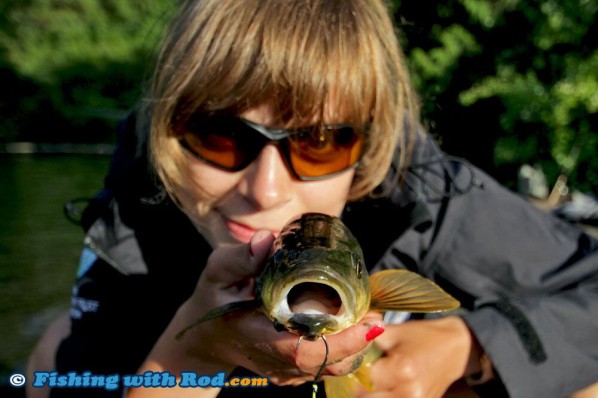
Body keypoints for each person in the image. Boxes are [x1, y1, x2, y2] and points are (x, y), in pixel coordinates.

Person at [26, 0, 598, 397]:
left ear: (371, 143)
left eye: (320, 141)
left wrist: (471, 347)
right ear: (166, 131)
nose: (265, 190)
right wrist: (189, 360)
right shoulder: (133, 212)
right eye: (220, 135)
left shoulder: (424, 190)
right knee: (51, 366)